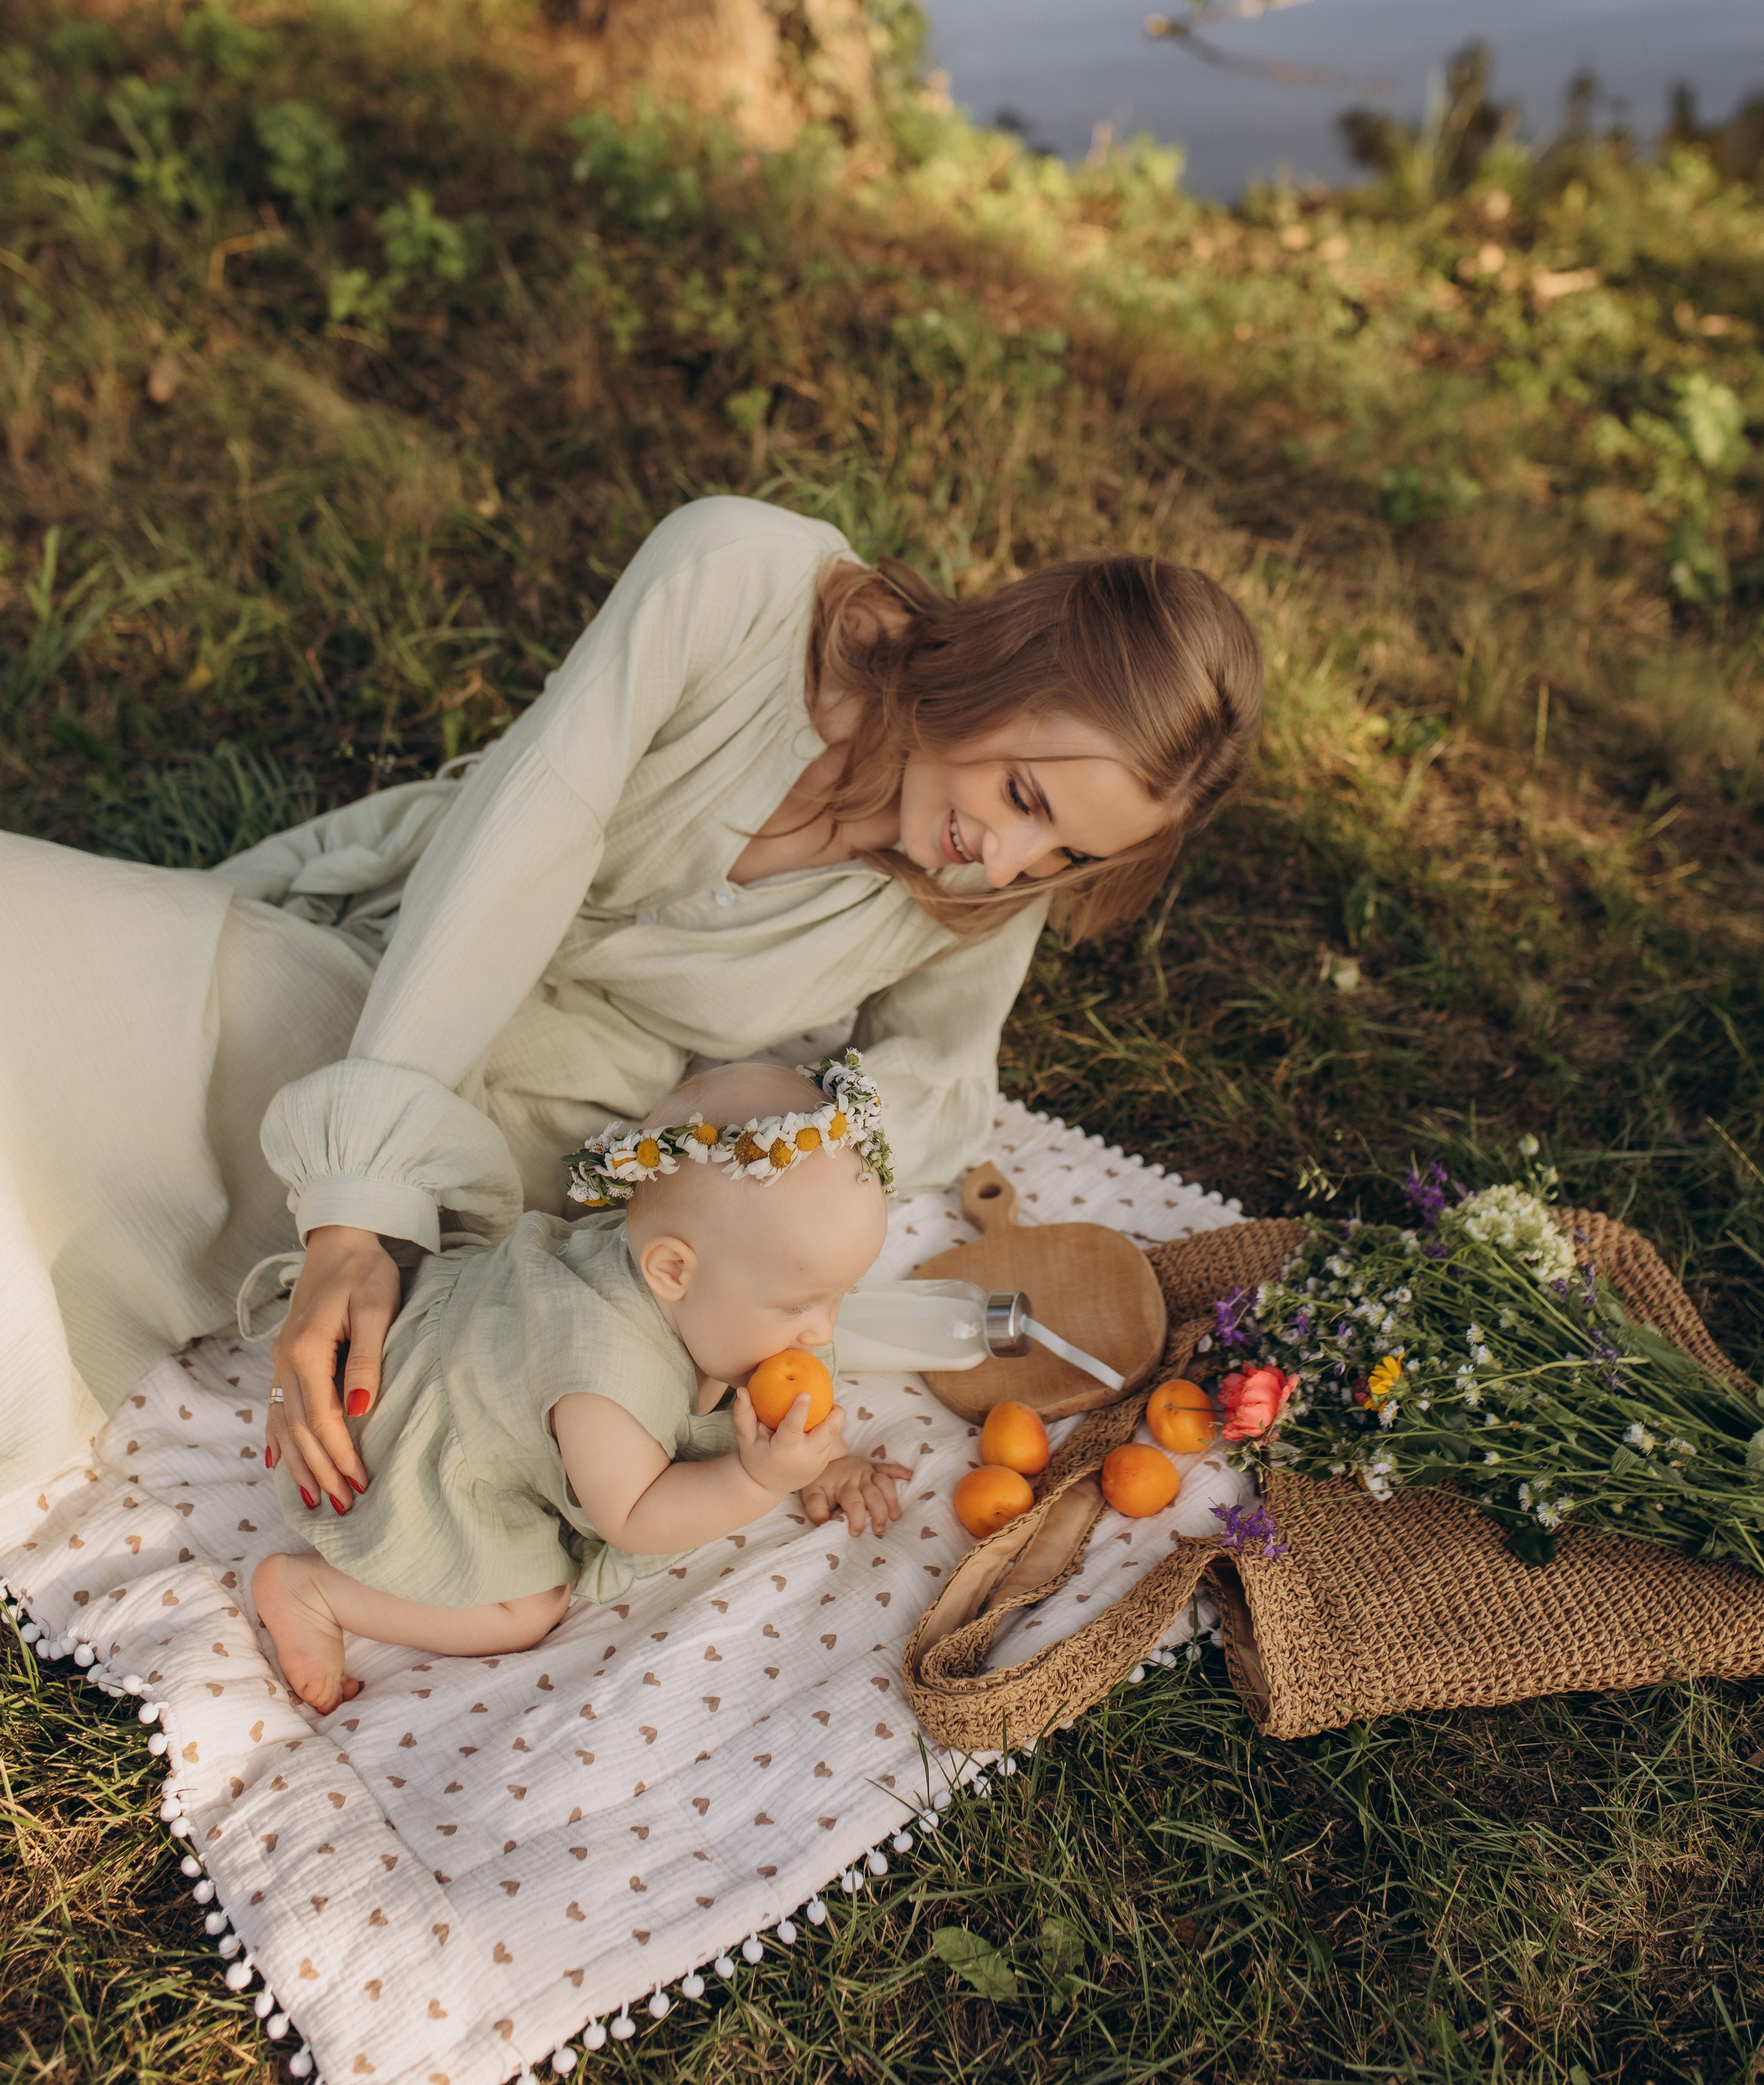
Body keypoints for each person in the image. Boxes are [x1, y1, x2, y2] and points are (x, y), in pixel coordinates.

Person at [0, 494, 1258, 1516]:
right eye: (1028, 801)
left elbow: (939, 1082)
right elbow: (520, 842)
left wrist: (775, 1136)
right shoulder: (741, 576)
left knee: (149, 1116)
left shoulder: (979, 894)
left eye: (1063, 862)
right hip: (401, 959)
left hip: (544, 1136)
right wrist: (357, 1205)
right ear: (1007, 657)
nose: (1004, 867)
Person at [250, 1056, 909, 1715]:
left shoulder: (714, 1296)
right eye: (799, 1305)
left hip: (482, 1334)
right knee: (527, 1609)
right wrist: (761, 1480)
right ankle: (312, 1591)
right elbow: (635, 1518)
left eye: (839, 1295)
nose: (823, 1329)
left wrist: (821, 1457)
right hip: (433, 1426)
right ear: (672, 1271)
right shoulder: (604, 1377)